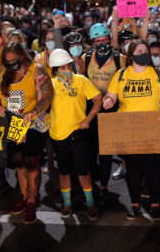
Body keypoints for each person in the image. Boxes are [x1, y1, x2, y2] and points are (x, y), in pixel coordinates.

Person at [104, 40, 160, 220]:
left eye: (146, 51)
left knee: (154, 170)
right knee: (133, 170)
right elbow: (111, 96)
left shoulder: (158, 73)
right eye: (140, 50)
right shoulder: (121, 74)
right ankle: (135, 204)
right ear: (131, 54)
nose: (145, 53)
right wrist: (108, 101)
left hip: (154, 130)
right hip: (129, 131)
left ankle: (155, 203)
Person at [0, 41, 54, 224]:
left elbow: (48, 95)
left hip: (33, 124)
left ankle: (32, 201)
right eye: (7, 61)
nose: (11, 64)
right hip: (15, 123)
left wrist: (34, 111)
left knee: (32, 163)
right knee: (19, 162)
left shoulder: (36, 70)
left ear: (22, 56)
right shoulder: (2, 73)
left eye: (14, 60)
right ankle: (23, 196)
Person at [48, 49, 102, 221]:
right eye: (62, 68)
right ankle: (67, 204)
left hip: (78, 134)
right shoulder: (50, 84)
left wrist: (88, 119)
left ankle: (90, 202)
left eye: (68, 66)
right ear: (55, 70)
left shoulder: (81, 80)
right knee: (63, 172)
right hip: (57, 135)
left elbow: (98, 99)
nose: (66, 70)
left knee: (83, 171)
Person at [83, 23, 126, 201]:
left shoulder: (119, 59)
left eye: (104, 40)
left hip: (111, 108)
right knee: (91, 150)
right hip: (92, 109)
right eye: (97, 41)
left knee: (106, 150)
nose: (101, 44)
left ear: (110, 40)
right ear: (92, 43)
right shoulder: (86, 58)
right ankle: (93, 182)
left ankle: (104, 186)